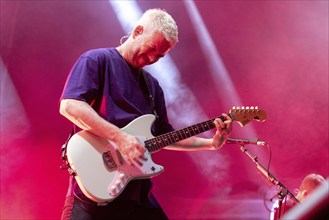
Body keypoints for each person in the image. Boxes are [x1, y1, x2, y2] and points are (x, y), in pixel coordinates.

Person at [59, 8, 233, 220]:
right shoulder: (97, 60)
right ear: (138, 31)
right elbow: (70, 105)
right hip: (93, 194)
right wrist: (120, 138)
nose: (153, 58)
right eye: (152, 49)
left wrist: (211, 144)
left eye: (160, 56)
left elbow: (164, 136)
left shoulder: (153, 87)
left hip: (136, 196)